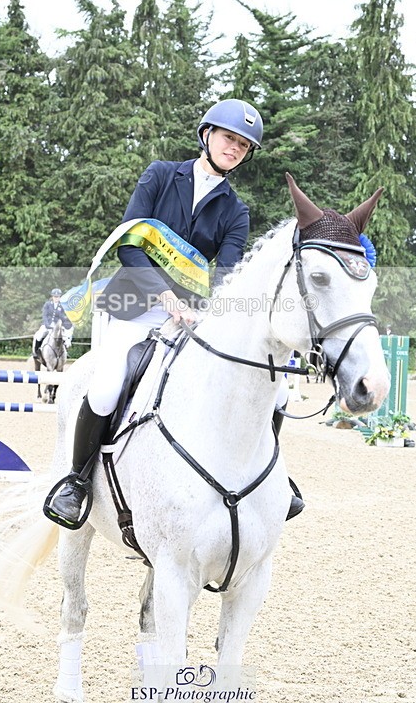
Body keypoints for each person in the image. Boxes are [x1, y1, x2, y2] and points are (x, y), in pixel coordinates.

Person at [47, 99, 303, 527]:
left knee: (278, 393)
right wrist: (167, 298)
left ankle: (266, 475)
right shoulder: (162, 175)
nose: (235, 148)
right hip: (131, 307)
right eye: (229, 138)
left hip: (192, 318)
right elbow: (129, 245)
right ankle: (75, 482)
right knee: (108, 385)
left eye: (243, 145)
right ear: (207, 135)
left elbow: (228, 275)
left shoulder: (235, 211)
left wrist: (207, 313)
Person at [32, 288, 74, 359]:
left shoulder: (62, 306)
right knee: (39, 335)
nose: (56, 298)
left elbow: (62, 317)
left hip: (57, 325)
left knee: (64, 336)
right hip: (47, 324)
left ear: (60, 297)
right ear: (52, 297)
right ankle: (36, 352)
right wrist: (47, 325)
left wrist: (67, 321)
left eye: (57, 297)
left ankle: (65, 352)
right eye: (55, 296)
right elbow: (44, 315)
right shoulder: (47, 304)